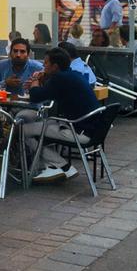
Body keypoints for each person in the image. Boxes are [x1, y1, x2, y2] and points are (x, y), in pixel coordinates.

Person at [17, 47, 102, 182]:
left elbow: (35, 97)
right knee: (44, 125)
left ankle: (63, 166)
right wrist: (42, 81)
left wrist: (34, 81)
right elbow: (49, 91)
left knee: (21, 130)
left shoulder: (60, 79)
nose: (43, 66)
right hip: (93, 130)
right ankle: (48, 166)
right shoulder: (72, 75)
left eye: (45, 63)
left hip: (78, 132)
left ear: (55, 66)